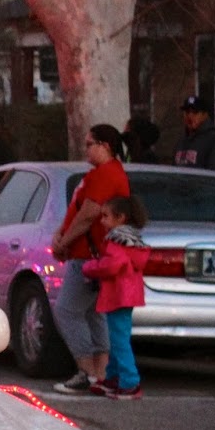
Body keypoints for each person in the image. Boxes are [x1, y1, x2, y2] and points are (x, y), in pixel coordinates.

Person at [49, 123, 131, 394]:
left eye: (89, 144)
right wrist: (61, 233)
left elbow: (88, 215)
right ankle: (100, 373)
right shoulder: (99, 174)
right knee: (94, 314)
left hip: (89, 255)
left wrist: (66, 240)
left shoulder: (107, 174)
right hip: (89, 254)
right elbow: (78, 209)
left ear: (105, 146)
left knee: (68, 311)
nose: (85, 149)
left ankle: (86, 371)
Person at [80, 195, 150, 400]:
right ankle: (113, 378)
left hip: (118, 294)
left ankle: (130, 382)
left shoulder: (116, 240)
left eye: (105, 216)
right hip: (128, 294)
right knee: (118, 337)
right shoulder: (133, 241)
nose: (102, 221)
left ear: (120, 218)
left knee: (119, 341)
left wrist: (90, 267)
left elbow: (112, 265)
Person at [173, 95, 215, 173]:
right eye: (187, 112)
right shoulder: (181, 141)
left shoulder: (213, 140)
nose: (190, 116)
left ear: (204, 115)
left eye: (195, 112)